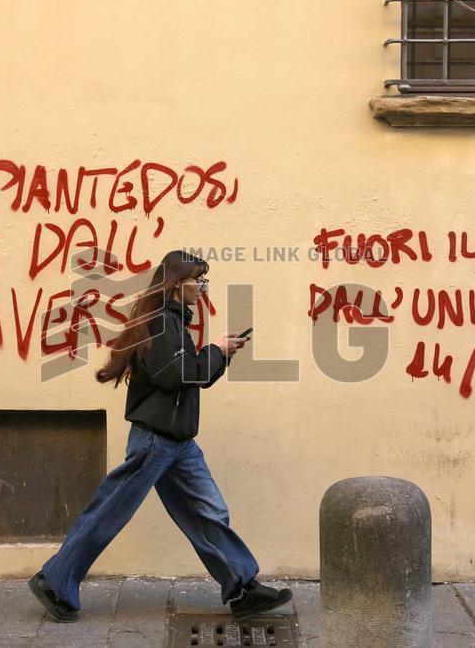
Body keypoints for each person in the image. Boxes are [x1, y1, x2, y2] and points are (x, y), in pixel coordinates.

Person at [28, 249, 292, 623]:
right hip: (156, 440)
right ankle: (54, 581)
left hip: (178, 441)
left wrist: (221, 355)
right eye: (197, 280)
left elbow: (190, 375)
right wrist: (214, 351)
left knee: (208, 511)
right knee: (109, 512)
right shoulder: (163, 324)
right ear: (175, 283)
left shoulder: (171, 321)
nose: (202, 287)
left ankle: (242, 588)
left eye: (204, 280)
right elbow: (177, 375)